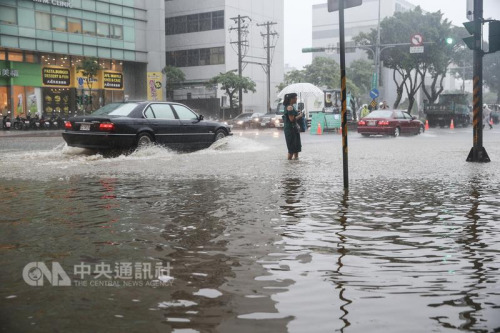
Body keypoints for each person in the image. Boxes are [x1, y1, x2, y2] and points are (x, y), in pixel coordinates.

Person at [283, 93, 302, 160]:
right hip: (290, 130)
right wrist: (300, 116)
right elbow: (292, 119)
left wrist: (297, 112)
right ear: (291, 99)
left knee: (296, 149)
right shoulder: (289, 107)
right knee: (291, 150)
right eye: (295, 98)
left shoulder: (291, 107)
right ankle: (289, 165)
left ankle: (294, 166)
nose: (296, 99)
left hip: (294, 129)